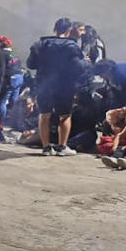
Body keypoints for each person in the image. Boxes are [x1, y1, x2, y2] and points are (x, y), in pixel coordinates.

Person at [26, 17, 88, 156]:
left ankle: (46, 148)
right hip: (64, 85)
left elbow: (31, 64)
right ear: (69, 30)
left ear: (55, 29)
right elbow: (79, 68)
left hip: (44, 84)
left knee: (44, 115)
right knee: (65, 116)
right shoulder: (72, 47)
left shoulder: (40, 44)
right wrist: (85, 63)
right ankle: (62, 147)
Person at [0, 35, 24, 124]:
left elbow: (1, 70)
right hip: (19, 78)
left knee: (2, 101)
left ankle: (0, 123)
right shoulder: (13, 53)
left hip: (9, 80)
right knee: (14, 101)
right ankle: (14, 121)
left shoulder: (0, 54)